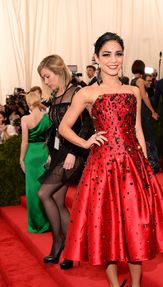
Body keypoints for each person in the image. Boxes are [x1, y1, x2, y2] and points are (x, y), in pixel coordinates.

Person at [59, 32, 163, 287]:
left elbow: (137, 128)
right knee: (106, 228)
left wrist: (146, 163)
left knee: (136, 225)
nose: (113, 60)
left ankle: (136, 285)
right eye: (106, 54)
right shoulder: (86, 93)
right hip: (102, 169)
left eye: (118, 54)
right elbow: (64, 127)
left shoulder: (133, 91)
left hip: (132, 167)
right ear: (96, 57)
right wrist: (86, 141)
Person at [37, 55, 93, 269]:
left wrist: (73, 152)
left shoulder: (76, 92)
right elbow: (56, 130)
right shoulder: (56, 95)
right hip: (60, 154)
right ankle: (70, 249)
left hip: (76, 153)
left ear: (58, 71)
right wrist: (52, 153)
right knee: (58, 202)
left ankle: (60, 241)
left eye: (47, 76)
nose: (46, 81)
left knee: (44, 193)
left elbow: (87, 125)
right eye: (43, 78)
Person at [19, 91, 51, 233]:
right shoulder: (47, 118)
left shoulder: (25, 119)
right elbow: (49, 139)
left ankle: (36, 225)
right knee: (44, 188)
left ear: (28, 103)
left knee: (32, 191)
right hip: (43, 152)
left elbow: (24, 142)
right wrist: (49, 154)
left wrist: (21, 158)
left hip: (31, 154)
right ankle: (47, 222)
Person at [131, 60, 160, 173]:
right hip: (142, 110)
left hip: (135, 110)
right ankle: (152, 165)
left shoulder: (132, 80)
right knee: (148, 136)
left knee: (141, 136)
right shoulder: (139, 81)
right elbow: (144, 97)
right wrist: (152, 111)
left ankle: (143, 164)